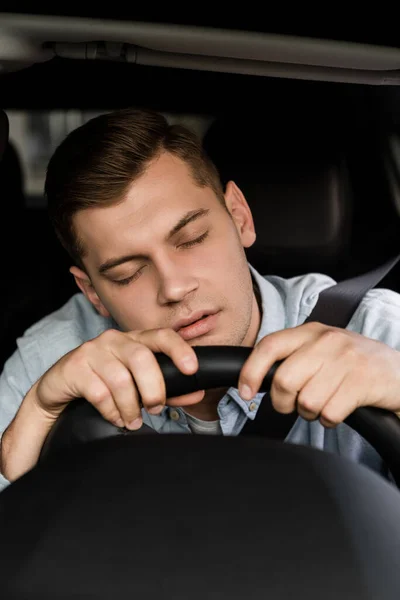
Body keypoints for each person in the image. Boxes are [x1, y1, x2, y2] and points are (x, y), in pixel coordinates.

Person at [1, 107, 400, 492]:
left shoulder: (375, 334)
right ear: (93, 293)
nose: (173, 288)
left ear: (239, 217)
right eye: (128, 273)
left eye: (192, 239)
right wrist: (34, 423)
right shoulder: (49, 363)